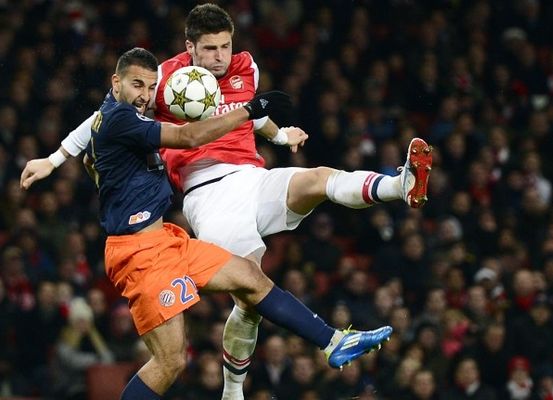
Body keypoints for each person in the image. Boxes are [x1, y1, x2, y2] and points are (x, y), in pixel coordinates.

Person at [20, 4, 431, 399]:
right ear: (190, 46)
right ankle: (233, 392)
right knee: (172, 361)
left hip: (199, 214)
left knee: (305, 201)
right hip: (167, 226)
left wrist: (278, 133)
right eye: (209, 49)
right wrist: (53, 159)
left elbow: (249, 115)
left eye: (225, 47)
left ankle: (398, 191)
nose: (218, 57)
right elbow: (179, 134)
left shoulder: (244, 67)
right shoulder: (152, 86)